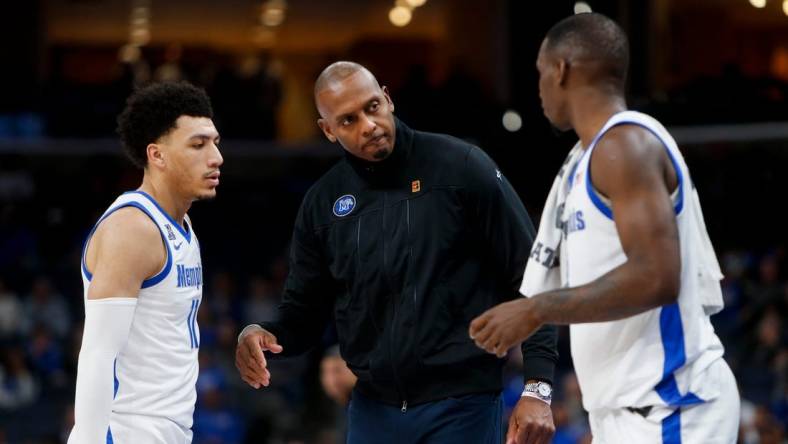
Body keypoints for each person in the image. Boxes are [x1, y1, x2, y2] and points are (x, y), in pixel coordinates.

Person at [236, 61, 558, 443]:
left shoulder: (462, 166)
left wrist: (537, 387)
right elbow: (304, 314)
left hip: (462, 406)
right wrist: (263, 333)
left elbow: (534, 275)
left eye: (372, 107)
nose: (368, 125)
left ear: (387, 99)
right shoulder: (322, 204)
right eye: (348, 120)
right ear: (328, 130)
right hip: (373, 412)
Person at [469, 13, 740, 444]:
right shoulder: (586, 159)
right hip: (627, 410)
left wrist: (536, 309)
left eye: (540, 73)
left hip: (670, 406)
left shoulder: (624, 146)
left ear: (561, 70)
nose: (537, 88)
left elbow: (657, 276)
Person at [68, 81, 223, 444]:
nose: (215, 156)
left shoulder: (181, 224)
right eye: (198, 145)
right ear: (157, 155)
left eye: (215, 141)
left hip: (167, 430)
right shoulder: (133, 228)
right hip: (125, 432)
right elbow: (96, 354)